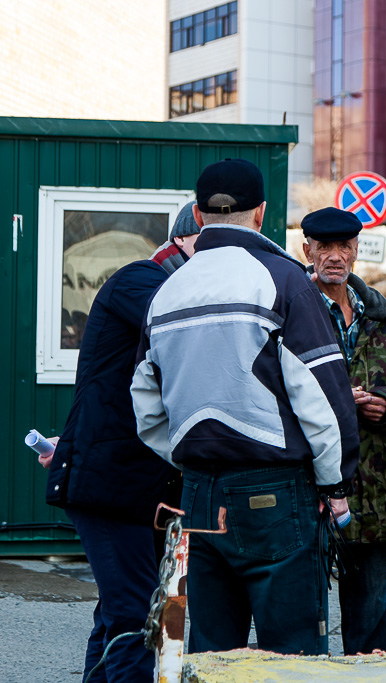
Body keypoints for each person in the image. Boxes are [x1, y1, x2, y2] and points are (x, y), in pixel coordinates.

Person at [131, 159, 360, 656]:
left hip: (198, 493)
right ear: (261, 214)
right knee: (292, 656)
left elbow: (146, 406)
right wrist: (336, 485)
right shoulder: (284, 281)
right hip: (276, 493)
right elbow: (325, 401)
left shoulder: (165, 292)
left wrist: (191, 456)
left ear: (197, 213)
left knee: (212, 653)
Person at [42, 202, 200, 682]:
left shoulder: (168, 284)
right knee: (132, 617)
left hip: (140, 487)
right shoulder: (141, 281)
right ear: (181, 241)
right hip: (113, 485)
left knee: (119, 613)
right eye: (208, 246)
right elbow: (188, 334)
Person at [300, 207, 386, 655]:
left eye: (344, 247)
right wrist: (334, 403)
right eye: (324, 248)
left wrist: (385, 403)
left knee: (370, 620)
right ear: (308, 251)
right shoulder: (292, 310)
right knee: (304, 620)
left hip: (372, 491)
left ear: (356, 252)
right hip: (309, 489)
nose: (334, 257)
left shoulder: (379, 315)